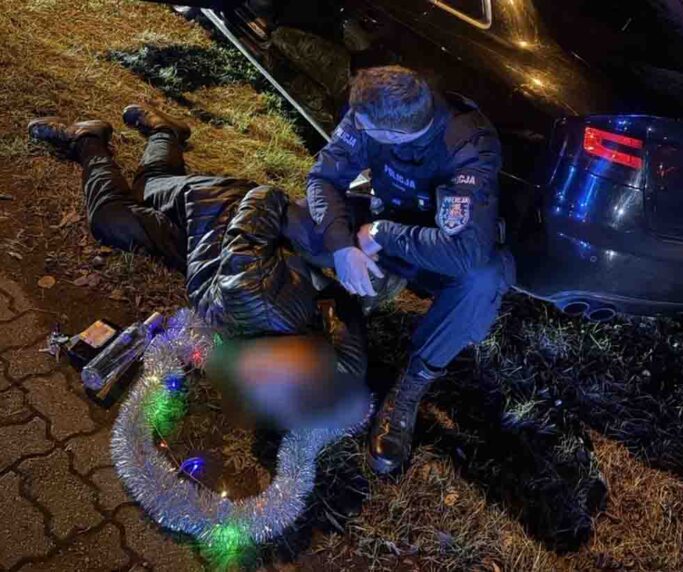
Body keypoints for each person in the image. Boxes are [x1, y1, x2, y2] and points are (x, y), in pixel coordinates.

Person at [27, 106, 370, 430]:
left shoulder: (316, 357)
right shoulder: (249, 296)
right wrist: (302, 233)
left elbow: (345, 317)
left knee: (113, 218)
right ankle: (114, 136)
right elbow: (265, 197)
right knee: (142, 192)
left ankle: (145, 134)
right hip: (219, 209)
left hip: (204, 252)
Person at [292, 65, 515, 474]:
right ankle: (325, 303)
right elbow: (323, 177)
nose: (354, 124)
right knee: (299, 221)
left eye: (363, 125)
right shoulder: (378, 108)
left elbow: (465, 252)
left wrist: (384, 234)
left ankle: (409, 388)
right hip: (380, 225)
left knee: (484, 278)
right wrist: (342, 247)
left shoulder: (468, 144)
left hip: (434, 252)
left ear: (394, 134)